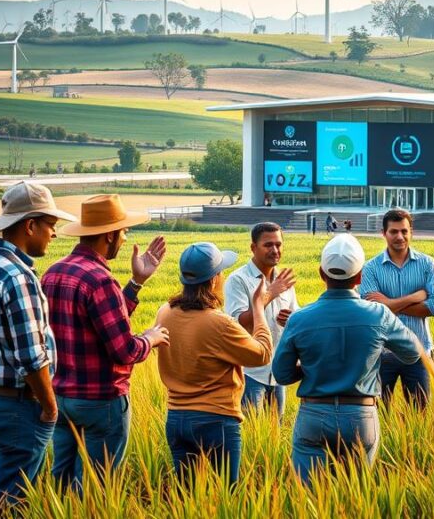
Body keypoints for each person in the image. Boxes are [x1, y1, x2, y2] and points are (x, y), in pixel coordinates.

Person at [0, 181, 76, 510]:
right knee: (14, 504)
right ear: (30, 225)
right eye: (51, 224)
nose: (54, 233)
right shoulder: (19, 277)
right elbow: (32, 357)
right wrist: (50, 408)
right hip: (17, 407)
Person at [41, 194, 170, 494]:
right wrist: (149, 339)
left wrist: (136, 283)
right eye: (123, 232)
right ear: (109, 235)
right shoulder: (101, 280)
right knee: (97, 487)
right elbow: (124, 350)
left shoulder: (53, 272)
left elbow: (101, 323)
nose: (125, 239)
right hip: (100, 401)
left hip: (61, 397)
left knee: (61, 481)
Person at [272, 234, 421, 485]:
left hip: (314, 414)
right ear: (360, 277)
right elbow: (413, 352)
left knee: (308, 496)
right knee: (356, 495)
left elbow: (282, 374)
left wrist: (313, 367)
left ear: (322, 273)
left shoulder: (299, 318)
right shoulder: (378, 314)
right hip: (360, 414)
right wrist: (370, 358)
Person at [156, 243, 273, 485]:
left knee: (187, 495)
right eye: (221, 272)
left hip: (176, 418)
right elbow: (262, 354)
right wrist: (258, 308)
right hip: (216, 420)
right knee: (227, 495)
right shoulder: (219, 323)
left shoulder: (164, 312)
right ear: (212, 281)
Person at [360, 208, 434, 408]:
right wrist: (414, 297)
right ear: (384, 233)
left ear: (411, 232)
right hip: (381, 353)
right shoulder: (371, 268)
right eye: (394, 231)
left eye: (404, 231)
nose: (400, 236)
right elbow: (369, 310)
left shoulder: (427, 264)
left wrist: (387, 304)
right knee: (378, 413)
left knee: (419, 413)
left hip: (419, 352)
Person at [223, 222, 299, 418]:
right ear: (253, 247)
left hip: (278, 373)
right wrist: (269, 295)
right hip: (250, 374)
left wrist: (291, 320)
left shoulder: (283, 281)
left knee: (274, 432)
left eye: (278, 244)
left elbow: (295, 321)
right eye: (268, 245)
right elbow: (237, 324)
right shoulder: (238, 280)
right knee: (250, 430)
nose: (275, 250)